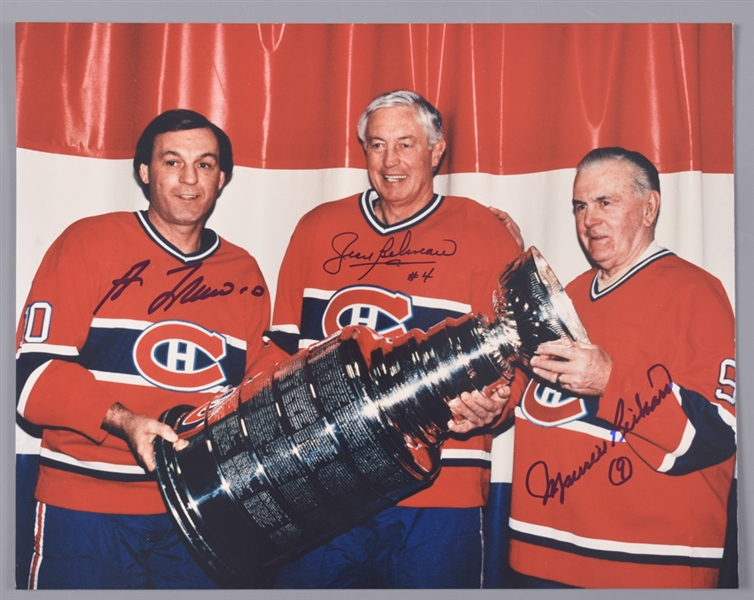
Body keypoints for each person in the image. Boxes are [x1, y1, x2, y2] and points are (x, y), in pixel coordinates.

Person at [15, 109, 283, 589]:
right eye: (172, 161)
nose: (188, 179)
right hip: (88, 509)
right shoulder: (89, 241)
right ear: (144, 171)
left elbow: (255, 386)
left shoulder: (243, 270)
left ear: (222, 178)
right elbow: (32, 379)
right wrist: (127, 421)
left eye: (204, 164)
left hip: (201, 515)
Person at [266, 90, 523, 588]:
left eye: (406, 144)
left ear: (436, 150)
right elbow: (277, 355)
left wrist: (498, 407)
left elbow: (515, 362)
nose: (391, 161)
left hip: (440, 496)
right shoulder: (317, 229)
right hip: (327, 486)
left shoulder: (484, 232)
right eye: (377, 145)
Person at [504, 147, 736, 588]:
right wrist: (490, 403)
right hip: (539, 556)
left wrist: (611, 380)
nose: (589, 220)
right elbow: (524, 397)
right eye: (580, 206)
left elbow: (717, 435)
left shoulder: (697, 293)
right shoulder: (566, 296)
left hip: (644, 567)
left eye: (606, 202)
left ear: (649, 208)